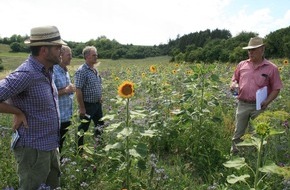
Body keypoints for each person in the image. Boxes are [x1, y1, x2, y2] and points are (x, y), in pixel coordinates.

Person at [0, 26, 66, 189]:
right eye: (58, 47)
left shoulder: (47, 70)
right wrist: (17, 111)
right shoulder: (27, 73)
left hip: (50, 146)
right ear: (44, 50)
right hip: (33, 149)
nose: (61, 50)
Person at [230, 36, 283, 154]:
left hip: (259, 106)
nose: (250, 52)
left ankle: (253, 159)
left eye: (253, 49)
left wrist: (267, 101)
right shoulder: (242, 65)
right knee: (238, 132)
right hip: (242, 104)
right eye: (249, 50)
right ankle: (235, 156)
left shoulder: (271, 68)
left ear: (262, 49)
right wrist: (233, 84)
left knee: (257, 135)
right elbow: (234, 79)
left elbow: (276, 88)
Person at [74, 46, 104, 153]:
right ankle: (79, 151)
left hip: (97, 105)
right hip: (87, 105)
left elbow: (98, 84)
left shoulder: (94, 69)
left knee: (100, 126)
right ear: (86, 57)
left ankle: (98, 147)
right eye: (94, 55)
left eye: (96, 55)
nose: (96, 57)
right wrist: (82, 108)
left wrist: (100, 97)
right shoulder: (82, 71)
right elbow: (78, 89)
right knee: (83, 128)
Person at [53, 45, 76, 153]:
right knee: (56, 145)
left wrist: (70, 89)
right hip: (58, 117)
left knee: (61, 144)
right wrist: (66, 90)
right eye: (69, 55)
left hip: (66, 115)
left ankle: (59, 165)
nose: (71, 57)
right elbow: (49, 93)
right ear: (60, 55)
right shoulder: (54, 71)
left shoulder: (65, 70)